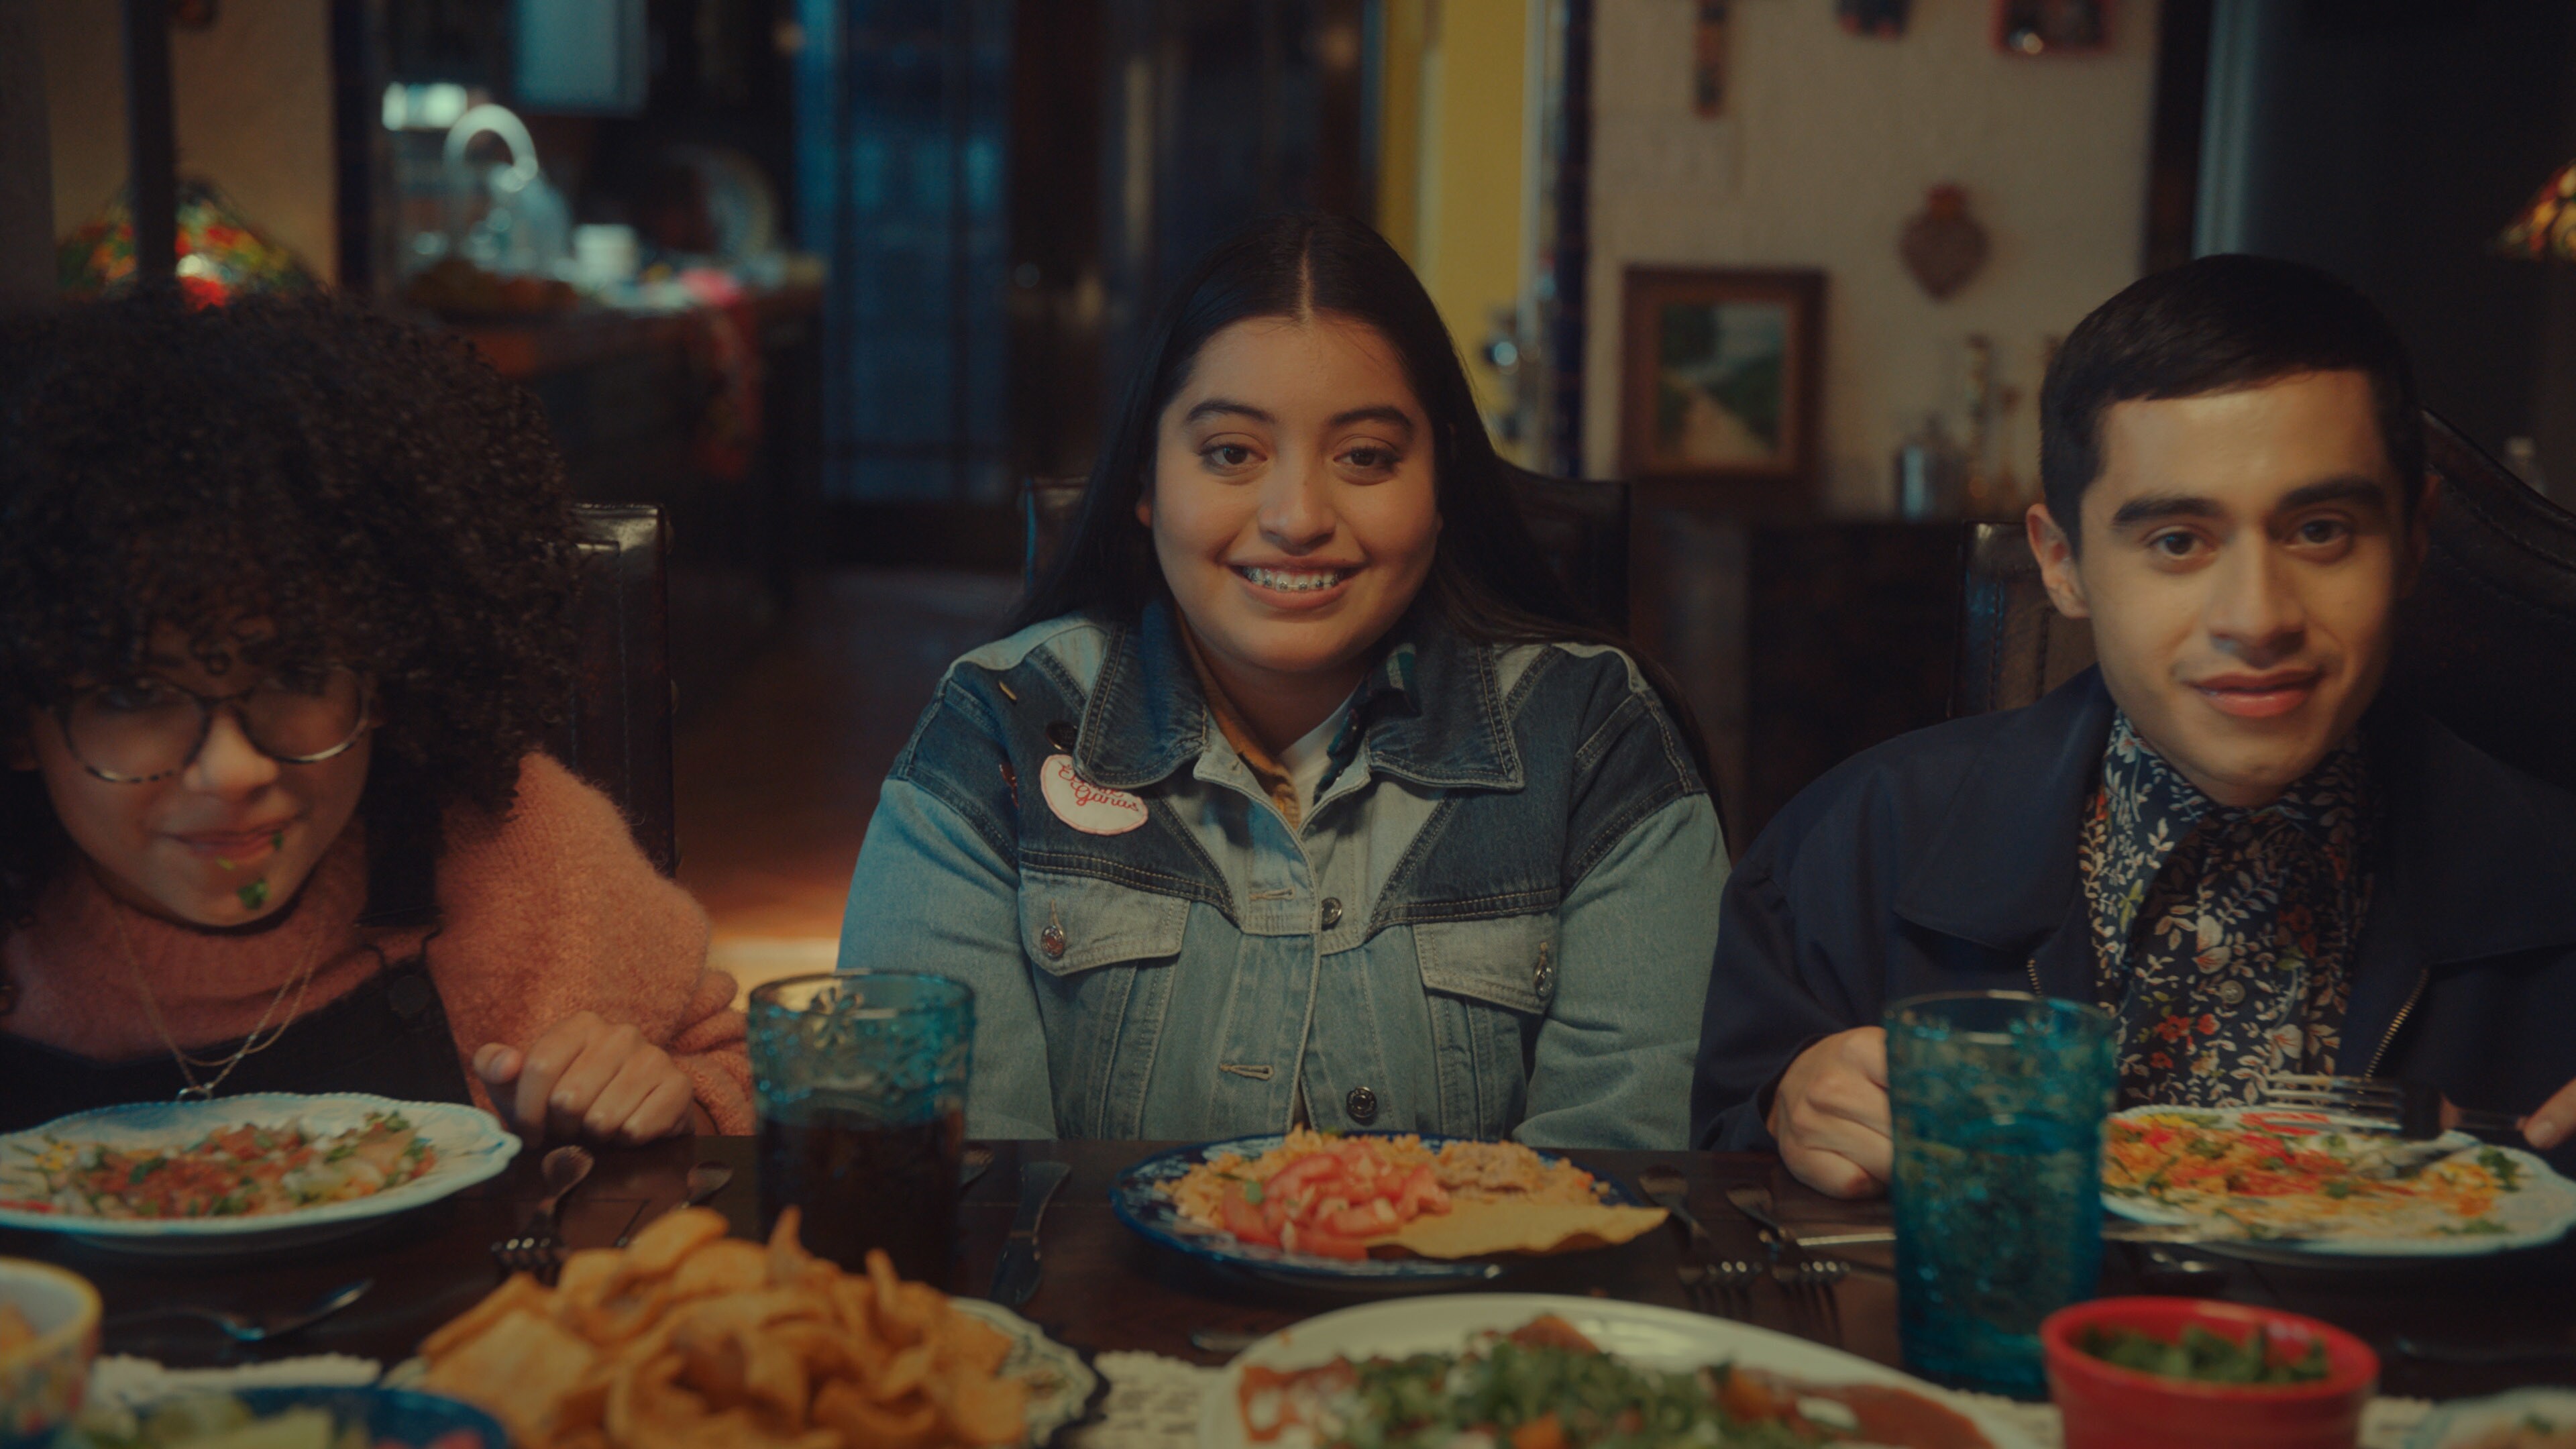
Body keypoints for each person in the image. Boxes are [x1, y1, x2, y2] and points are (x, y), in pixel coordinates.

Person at [1693, 254, 2576, 1194]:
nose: (2257, 615)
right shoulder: (1853, 850)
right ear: (2062, 563)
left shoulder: (2556, 879)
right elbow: (1710, 1179)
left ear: (2413, 541)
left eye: (2319, 530)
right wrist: (1785, 1107)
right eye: (2177, 542)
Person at [840, 213, 1727, 1146]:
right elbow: (956, 1189)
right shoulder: (1000, 726)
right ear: (1145, 480)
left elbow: (1624, 1172)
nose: (1298, 517)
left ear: (1441, 487)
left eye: (1366, 458)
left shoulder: (1593, 737)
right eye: (1232, 453)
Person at [0, 295, 752, 1140]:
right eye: (137, 695)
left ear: (391, 674)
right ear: (21, 720)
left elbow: (735, 1077)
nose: (235, 771)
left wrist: (665, 1106)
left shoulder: (521, 857)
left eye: (296, 674)